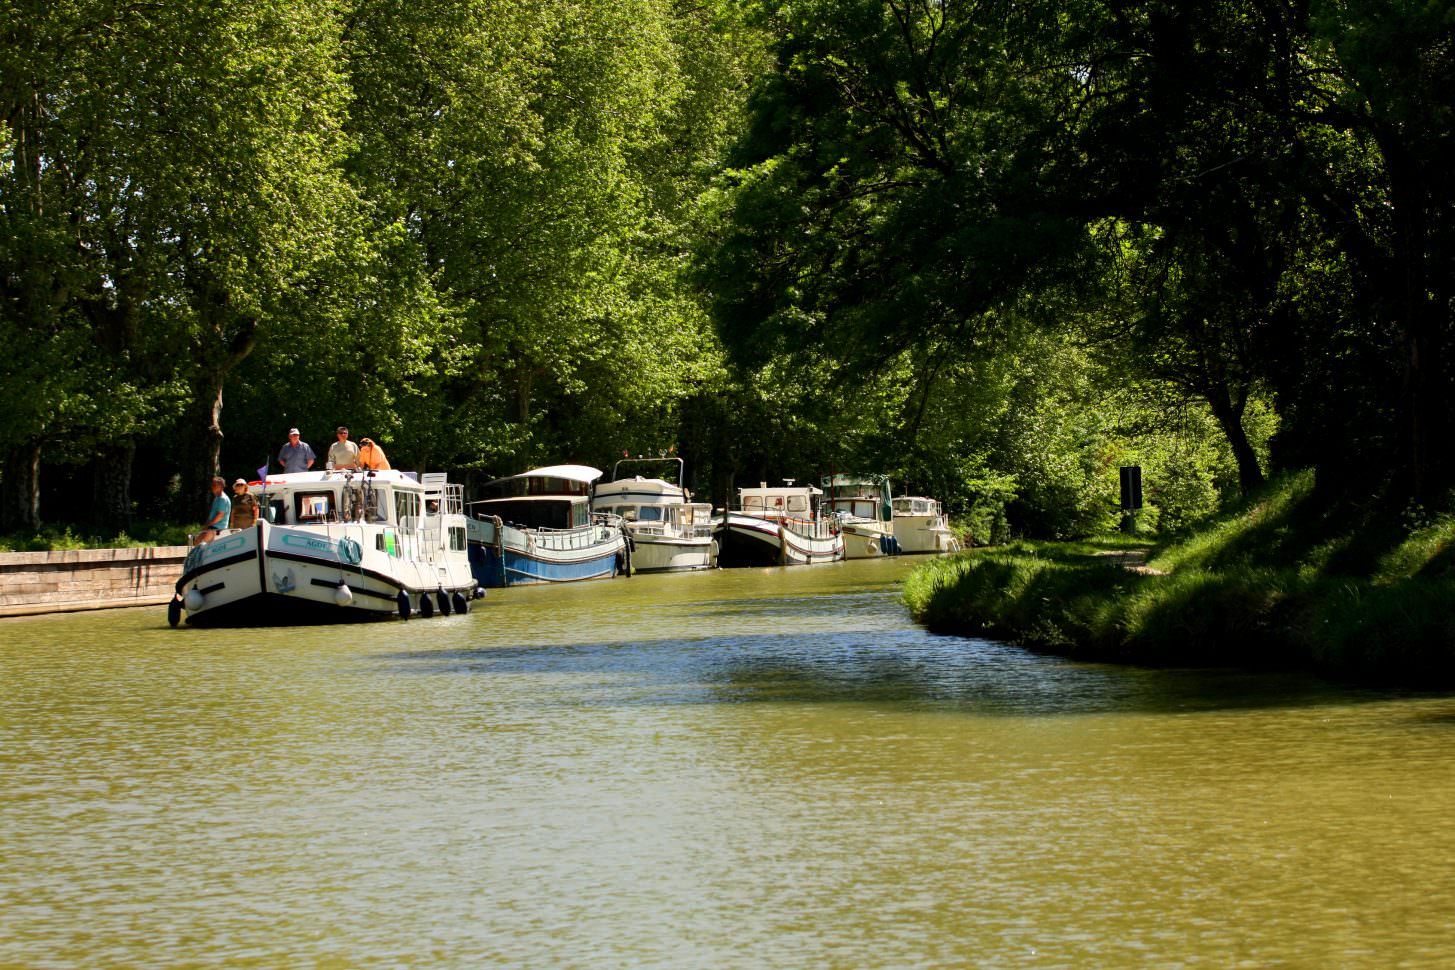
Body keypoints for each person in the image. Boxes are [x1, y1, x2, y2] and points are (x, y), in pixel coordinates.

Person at [195, 476, 231, 545]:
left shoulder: (222, 499)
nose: (212, 487)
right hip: (213, 527)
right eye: (212, 485)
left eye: (214, 485)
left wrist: (207, 525)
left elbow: (220, 515)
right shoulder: (218, 497)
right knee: (197, 543)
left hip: (216, 528)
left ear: (220, 486)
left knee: (199, 544)